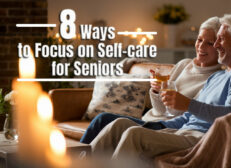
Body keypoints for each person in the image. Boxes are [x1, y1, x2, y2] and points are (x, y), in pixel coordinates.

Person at [90, 13, 231, 163]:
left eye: (221, 39)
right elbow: (188, 117)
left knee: (134, 135)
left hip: (203, 137)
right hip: (182, 131)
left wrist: (188, 104)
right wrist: (156, 126)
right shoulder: (218, 76)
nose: (217, 44)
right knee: (119, 124)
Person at [80, 16, 222, 144]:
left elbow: (183, 116)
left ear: (219, 47)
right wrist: (156, 91)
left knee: (102, 120)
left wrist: (173, 99)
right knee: (103, 121)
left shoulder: (215, 79)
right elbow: (160, 109)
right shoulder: (184, 64)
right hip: (149, 119)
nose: (201, 46)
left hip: (167, 128)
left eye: (209, 43)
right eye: (199, 40)